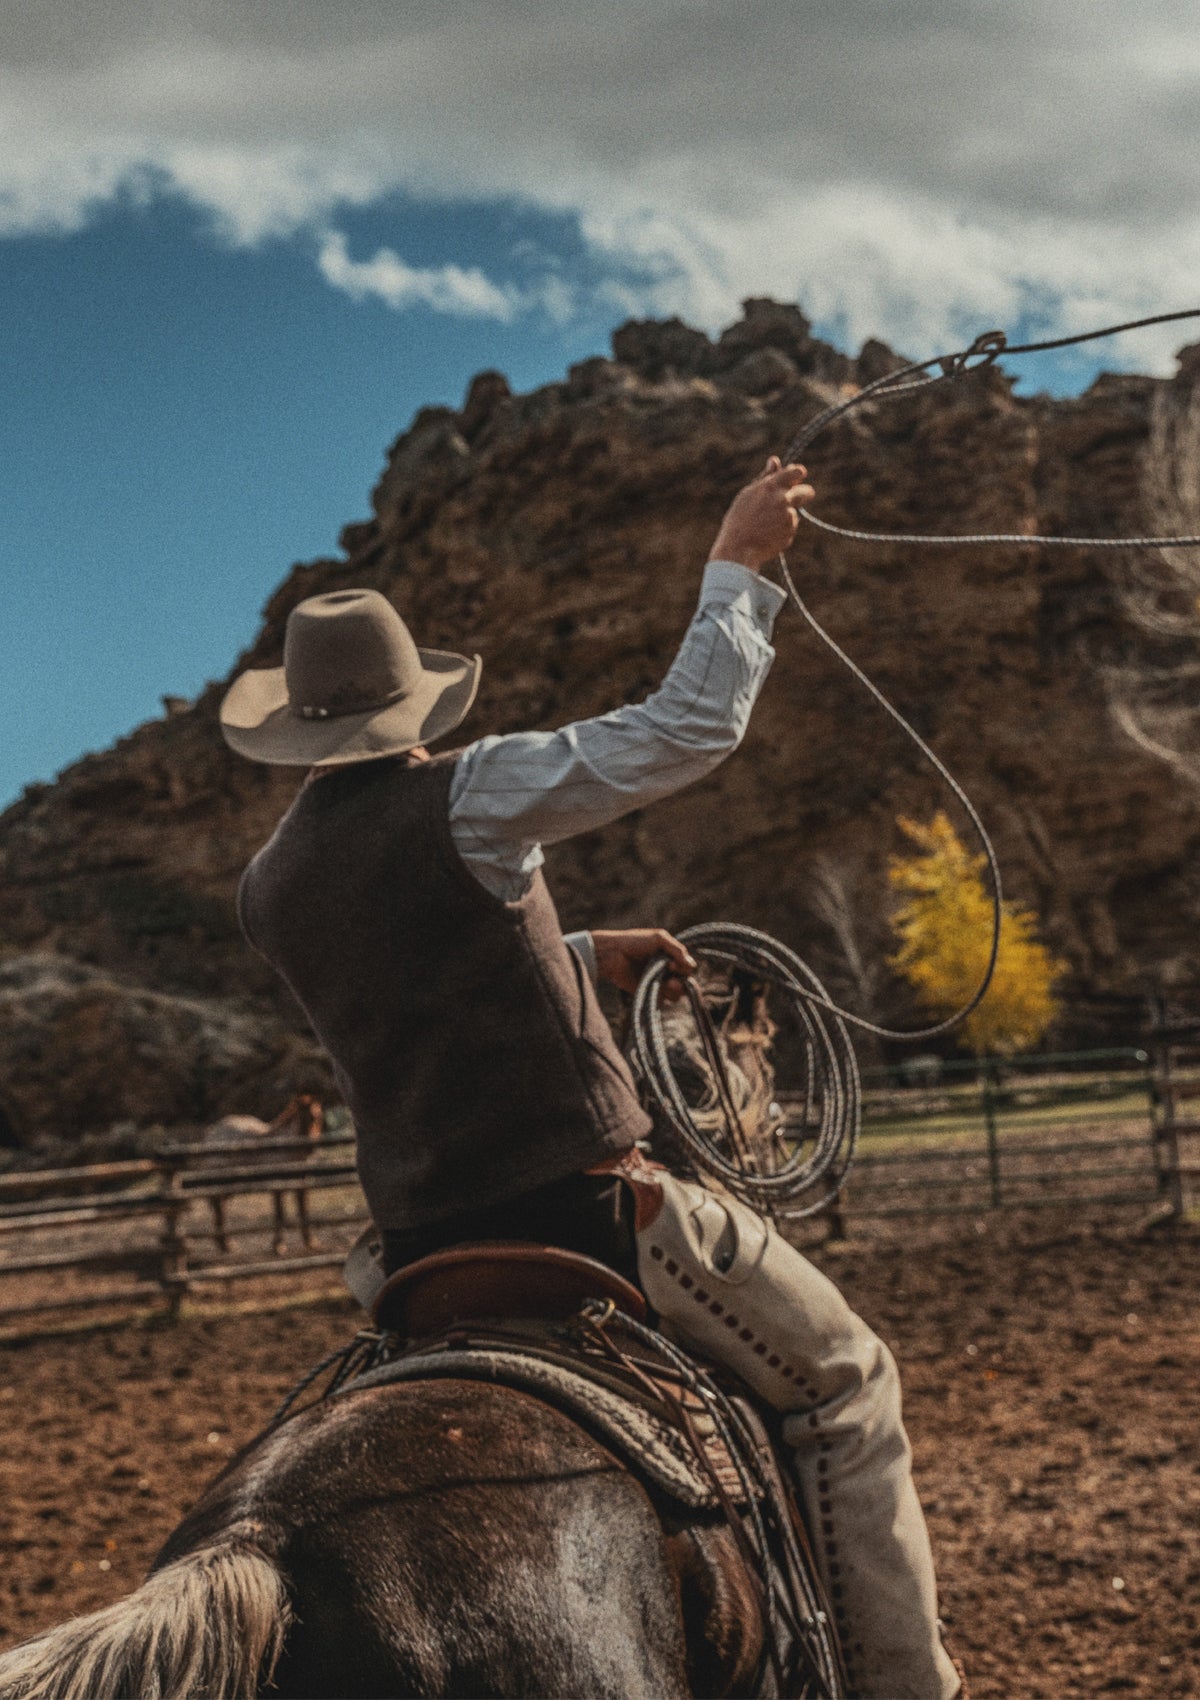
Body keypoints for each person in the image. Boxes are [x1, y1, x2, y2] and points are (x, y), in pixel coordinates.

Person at [220, 457, 960, 1700]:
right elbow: (687, 728)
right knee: (848, 1384)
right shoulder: (473, 792)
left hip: (412, 1251)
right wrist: (739, 563)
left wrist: (565, 951)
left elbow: (407, 982)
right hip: (593, 1216)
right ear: (415, 705)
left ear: (299, 721)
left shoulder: (269, 886)